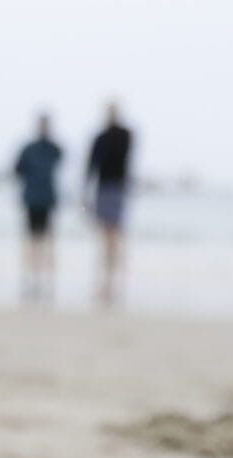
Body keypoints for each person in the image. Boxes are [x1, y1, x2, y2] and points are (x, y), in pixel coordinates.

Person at [84, 102, 133, 306]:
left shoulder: (123, 135)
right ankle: (105, 284)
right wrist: (86, 191)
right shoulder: (101, 137)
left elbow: (122, 156)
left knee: (114, 238)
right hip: (104, 189)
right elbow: (91, 164)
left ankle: (113, 285)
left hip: (117, 187)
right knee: (106, 238)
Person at [13, 114, 63, 303]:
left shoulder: (54, 148)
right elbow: (17, 170)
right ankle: (31, 279)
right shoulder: (29, 149)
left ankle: (45, 280)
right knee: (32, 240)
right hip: (32, 199)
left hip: (47, 199)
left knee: (46, 241)